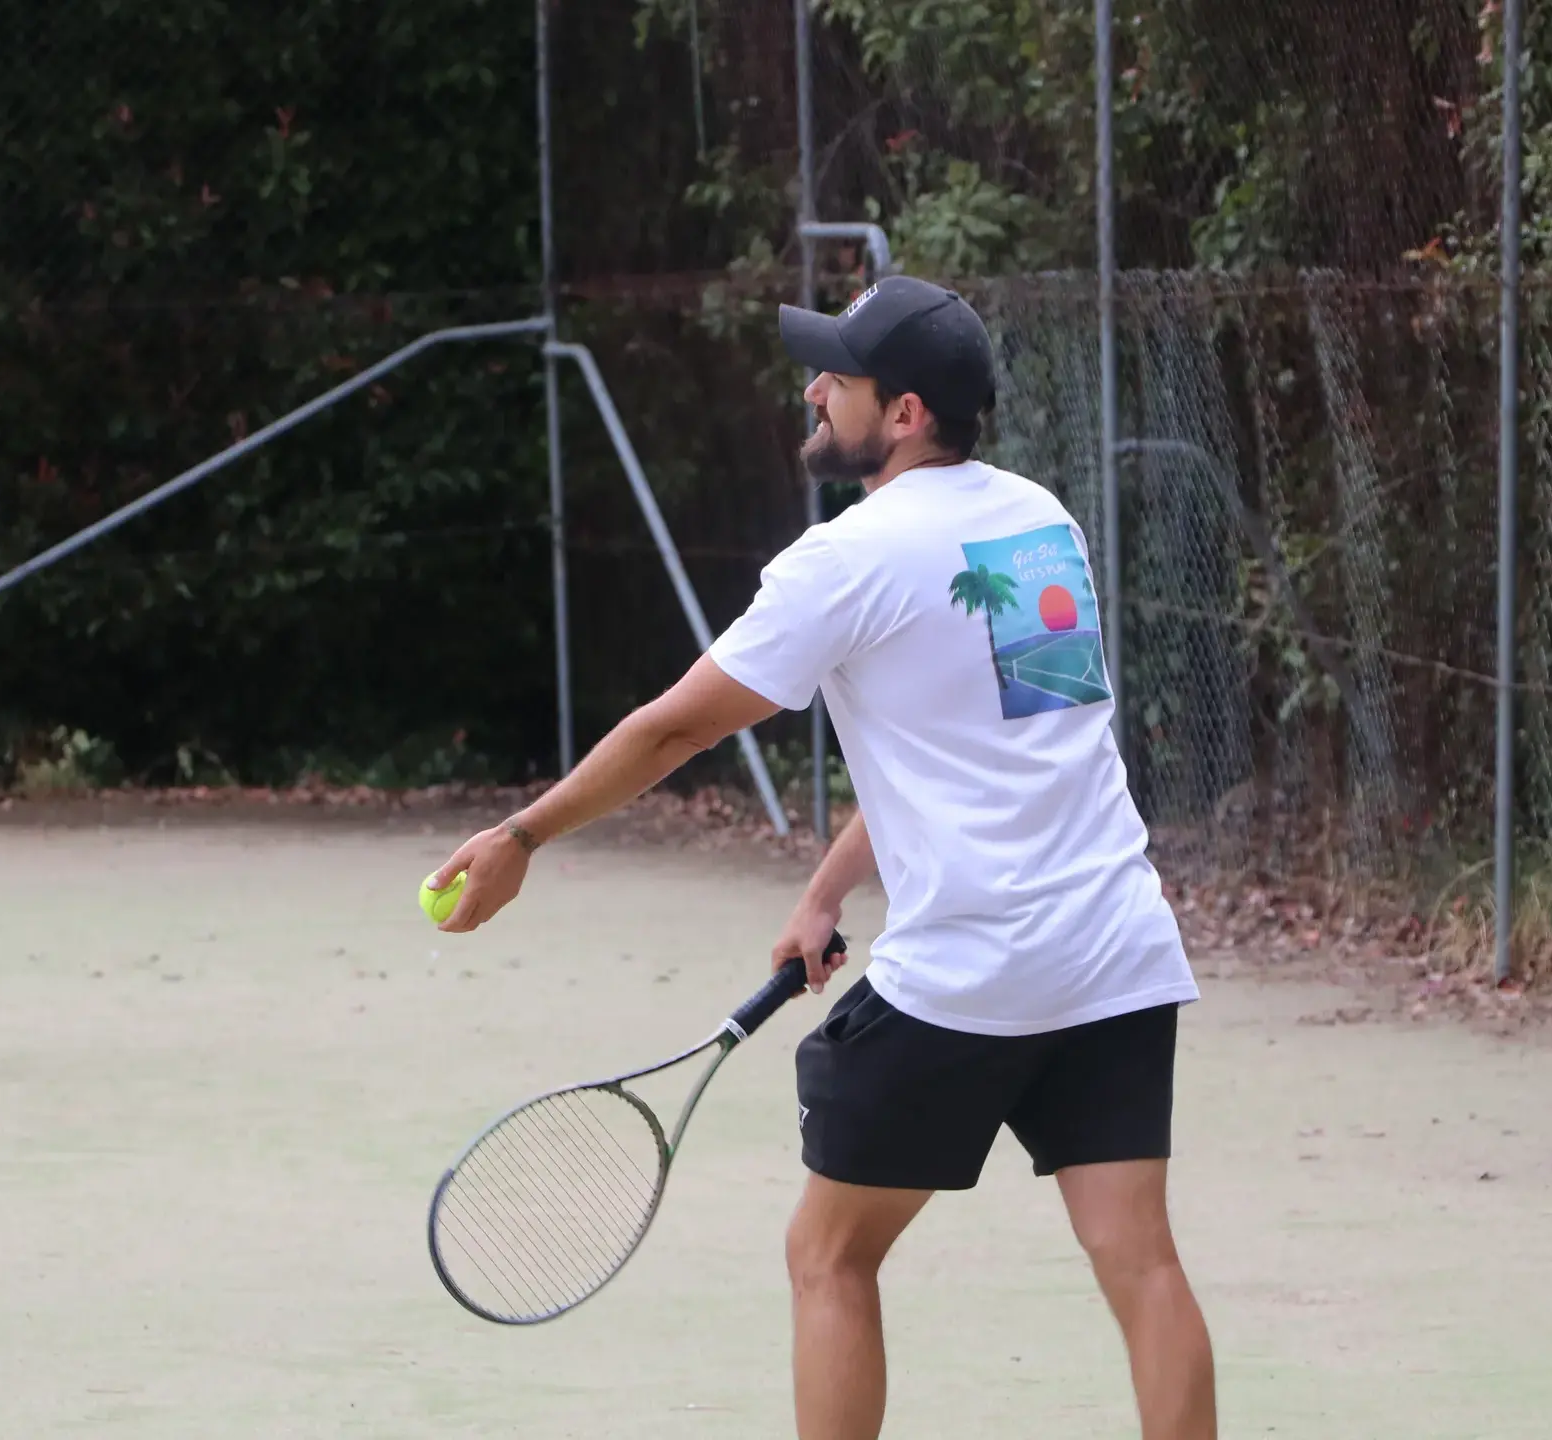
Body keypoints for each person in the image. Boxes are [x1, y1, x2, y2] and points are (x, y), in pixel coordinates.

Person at [430, 275, 1217, 1439]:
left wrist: (520, 836)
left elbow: (674, 729)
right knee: (1140, 1260)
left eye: (835, 377)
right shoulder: (1037, 522)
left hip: (971, 975)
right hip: (1115, 954)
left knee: (827, 1253)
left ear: (901, 413)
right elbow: (981, 751)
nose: (812, 392)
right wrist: (825, 890)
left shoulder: (843, 561)